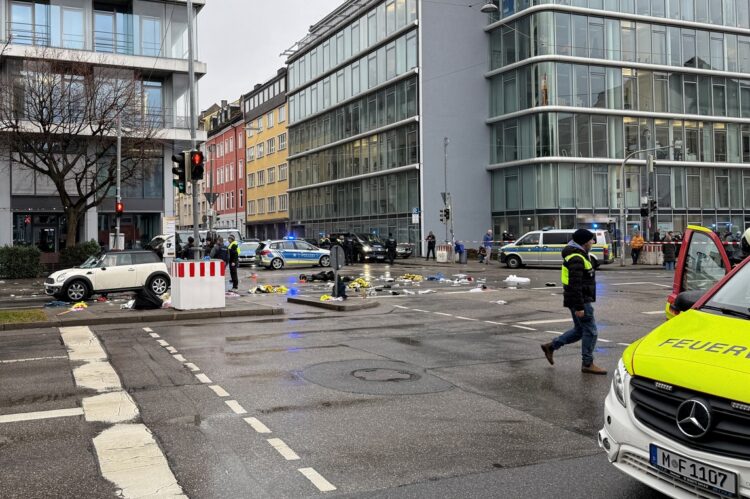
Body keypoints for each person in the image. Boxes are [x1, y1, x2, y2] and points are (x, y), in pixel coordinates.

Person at [541, 229, 607, 375]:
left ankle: (551, 346)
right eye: (591, 240)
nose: (592, 242)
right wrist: (579, 306)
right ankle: (587, 364)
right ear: (584, 242)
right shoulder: (576, 258)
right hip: (580, 300)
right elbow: (575, 284)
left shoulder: (578, 255)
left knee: (579, 331)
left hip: (577, 299)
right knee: (591, 331)